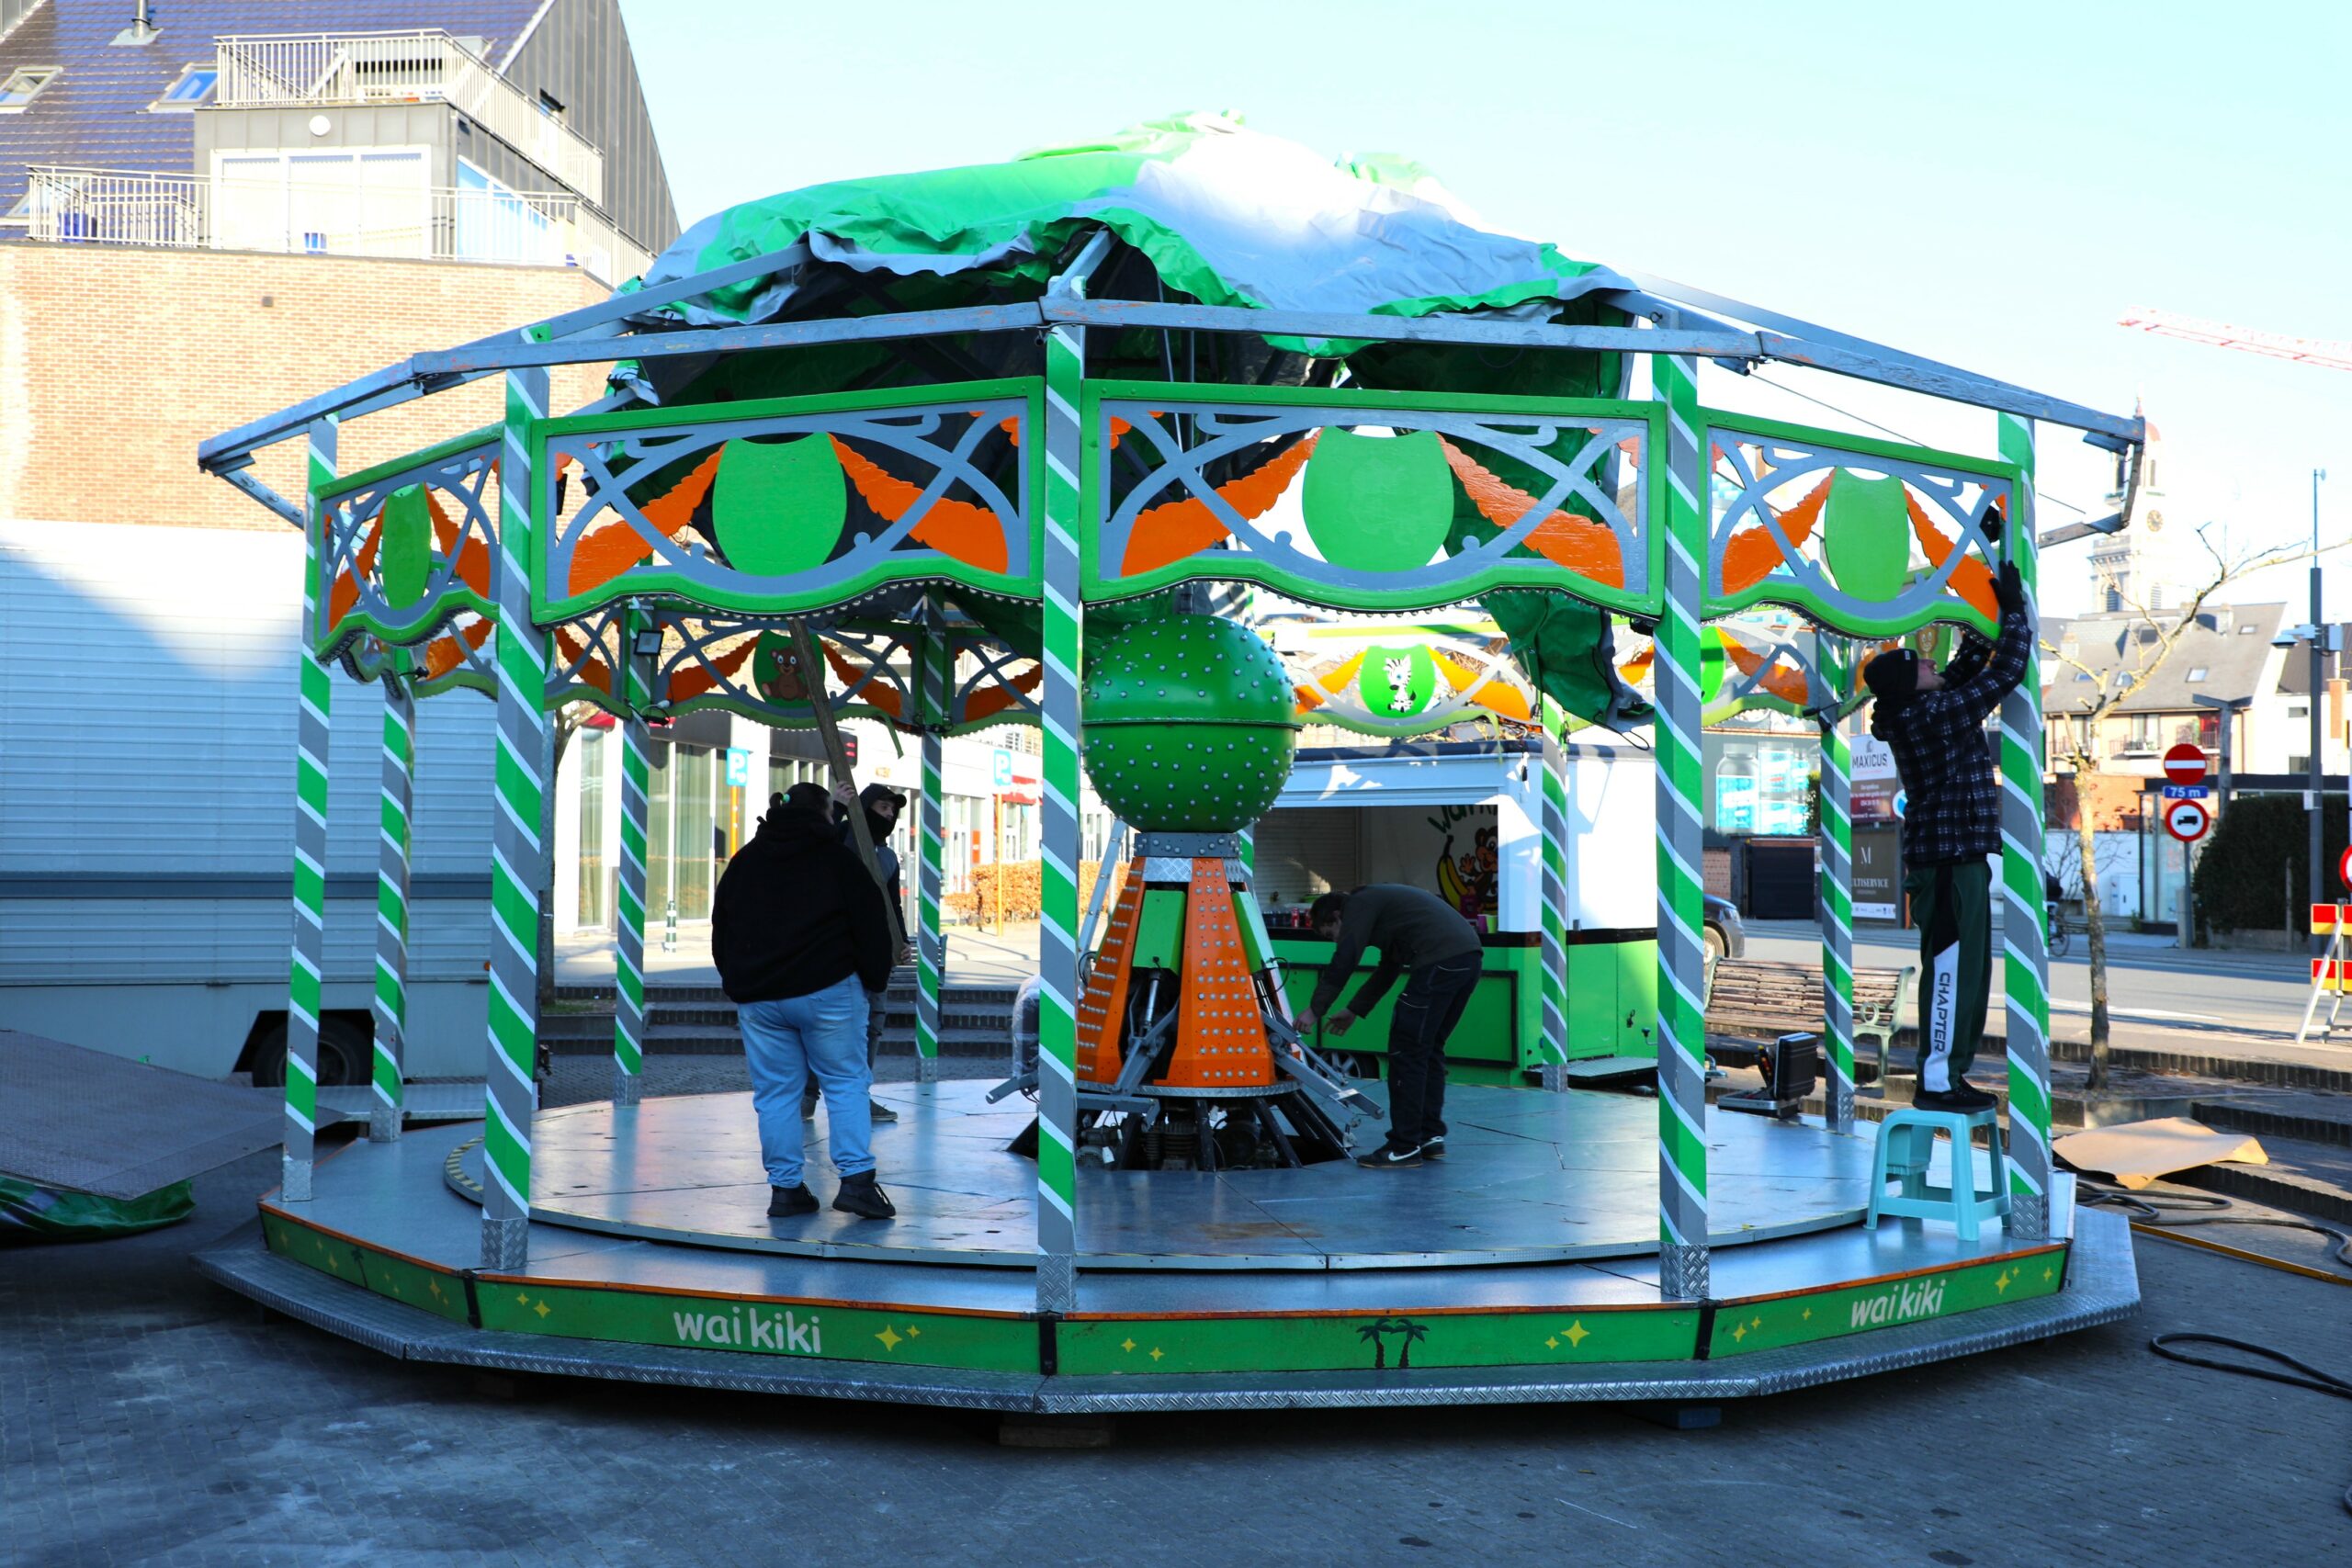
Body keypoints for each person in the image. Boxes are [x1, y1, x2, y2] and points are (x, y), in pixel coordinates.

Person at [1860, 536, 2033, 1113]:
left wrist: (1986, 601)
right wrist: (2015, 613)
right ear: (1910, 685)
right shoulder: (1932, 714)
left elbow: (1965, 664)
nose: (1930, 662)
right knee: (1956, 971)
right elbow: (2005, 671)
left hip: (1951, 858)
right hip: (1949, 861)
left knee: (1964, 969)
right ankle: (1938, 1080)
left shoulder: (1920, 707)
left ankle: (1949, 1074)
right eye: (1920, 664)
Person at [713, 782, 897, 1219]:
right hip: (828, 990)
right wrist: (872, 980)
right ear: (825, 815)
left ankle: (786, 1190)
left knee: (775, 1093)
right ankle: (856, 1182)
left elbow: (722, 927)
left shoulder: (744, 862)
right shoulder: (837, 861)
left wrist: (738, 981)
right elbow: (871, 924)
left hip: (760, 997)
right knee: (845, 1082)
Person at [1295, 885, 1485, 1168]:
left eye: (1331, 934)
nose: (1336, 941)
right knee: (1428, 1049)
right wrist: (1354, 1010)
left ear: (1336, 916)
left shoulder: (1357, 905)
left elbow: (1346, 958)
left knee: (1406, 1051)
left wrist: (1314, 1010)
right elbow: (1388, 969)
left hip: (1439, 961)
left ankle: (1404, 1146)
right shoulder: (1385, 912)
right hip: (1467, 960)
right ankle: (1428, 1136)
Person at [800, 779, 910, 1124]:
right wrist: (838, 808)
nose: (889, 814)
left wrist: (900, 942)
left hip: (874, 954)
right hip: (837, 950)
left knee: (873, 1024)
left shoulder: (888, 857)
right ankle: (807, 1095)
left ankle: (860, 1095)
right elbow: (815, 844)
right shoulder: (840, 838)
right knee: (826, 1025)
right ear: (864, 810)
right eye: (883, 807)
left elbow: (892, 904)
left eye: (892, 810)